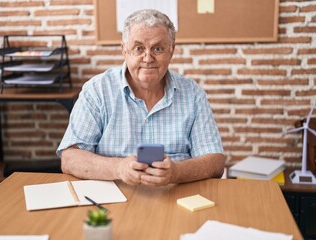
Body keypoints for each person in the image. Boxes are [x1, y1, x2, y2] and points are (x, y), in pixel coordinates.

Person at [56, 9, 225, 187]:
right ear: (124, 50)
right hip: (114, 199)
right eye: (139, 48)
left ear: (171, 51)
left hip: (176, 197)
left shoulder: (193, 94)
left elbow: (215, 162)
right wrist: (118, 168)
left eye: (158, 49)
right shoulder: (97, 90)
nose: (148, 58)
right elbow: (70, 158)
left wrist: (176, 172)